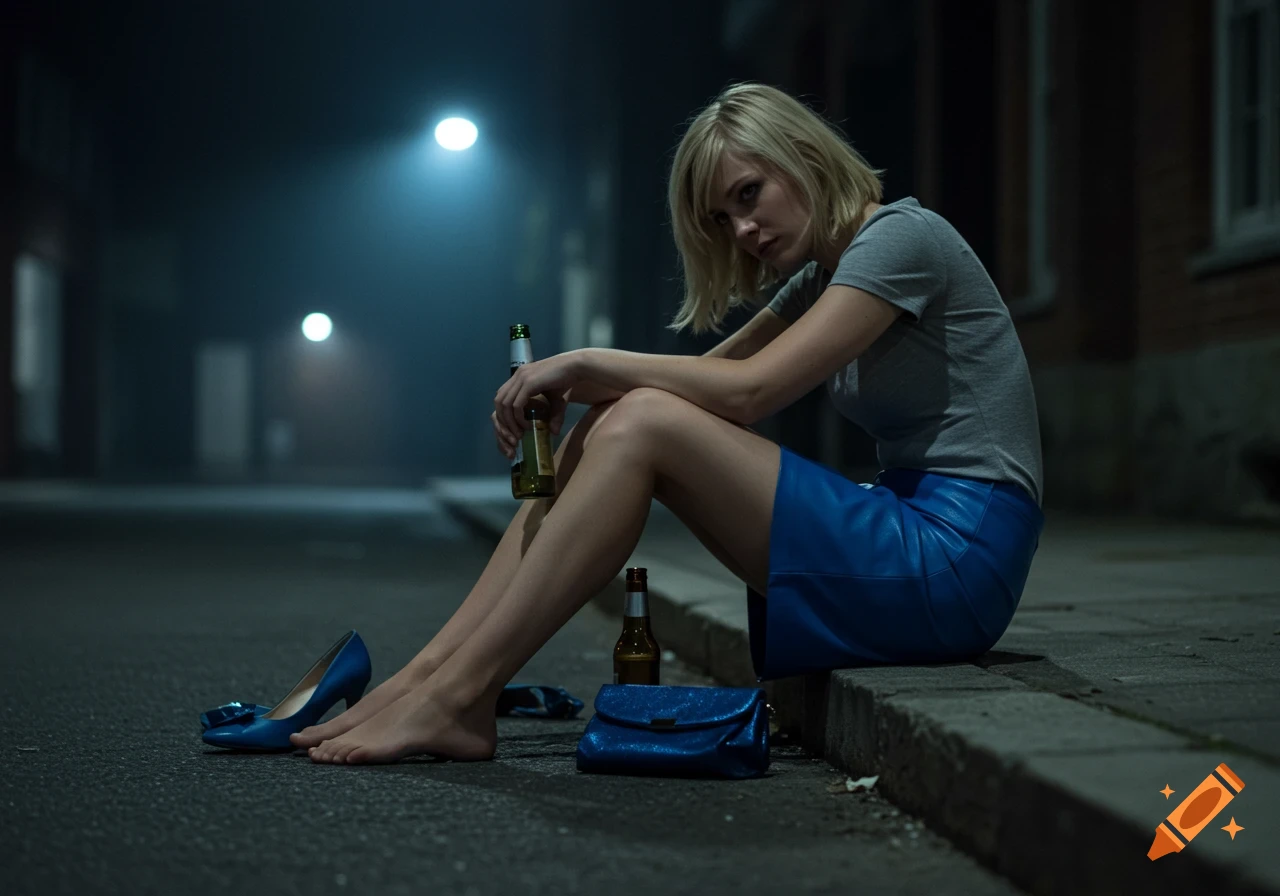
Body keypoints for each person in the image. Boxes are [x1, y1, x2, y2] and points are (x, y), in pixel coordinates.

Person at [296, 81, 1045, 765]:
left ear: (804, 155)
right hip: (912, 528)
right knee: (624, 413)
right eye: (724, 217)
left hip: (959, 556)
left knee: (643, 418)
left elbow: (749, 391)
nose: (743, 229)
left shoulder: (902, 239)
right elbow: (700, 379)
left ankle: (459, 695)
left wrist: (583, 361)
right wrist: (571, 385)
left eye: (749, 194)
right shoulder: (822, 277)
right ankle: (432, 676)